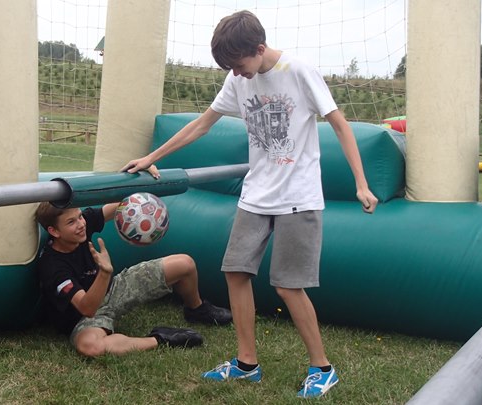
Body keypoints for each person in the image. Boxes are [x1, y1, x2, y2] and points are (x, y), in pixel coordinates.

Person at [121, 10, 378, 398]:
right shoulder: (236, 77)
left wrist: (361, 183)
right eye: (230, 68)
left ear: (259, 49)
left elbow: (340, 124)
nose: (236, 74)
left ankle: (322, 368)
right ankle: (246, 364)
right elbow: (202, 124)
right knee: (235, 273)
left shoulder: (299, 72)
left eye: (239, 65)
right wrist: (152, 156)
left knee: (288, 287)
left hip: (298, 197)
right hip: (256, 195)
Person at [34, 196, 232, 358]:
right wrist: (104, 272)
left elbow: (120, 204)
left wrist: (142, 175)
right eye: (72, 222)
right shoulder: (52, 266)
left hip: (114, 290)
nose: (81, 224)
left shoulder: (82, 225)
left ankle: (196, 309)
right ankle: (162, 338)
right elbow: (88, 308)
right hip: (86, 317)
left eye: (80, 216)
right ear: (54, 231)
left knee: (185, 264)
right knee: (91, 346)